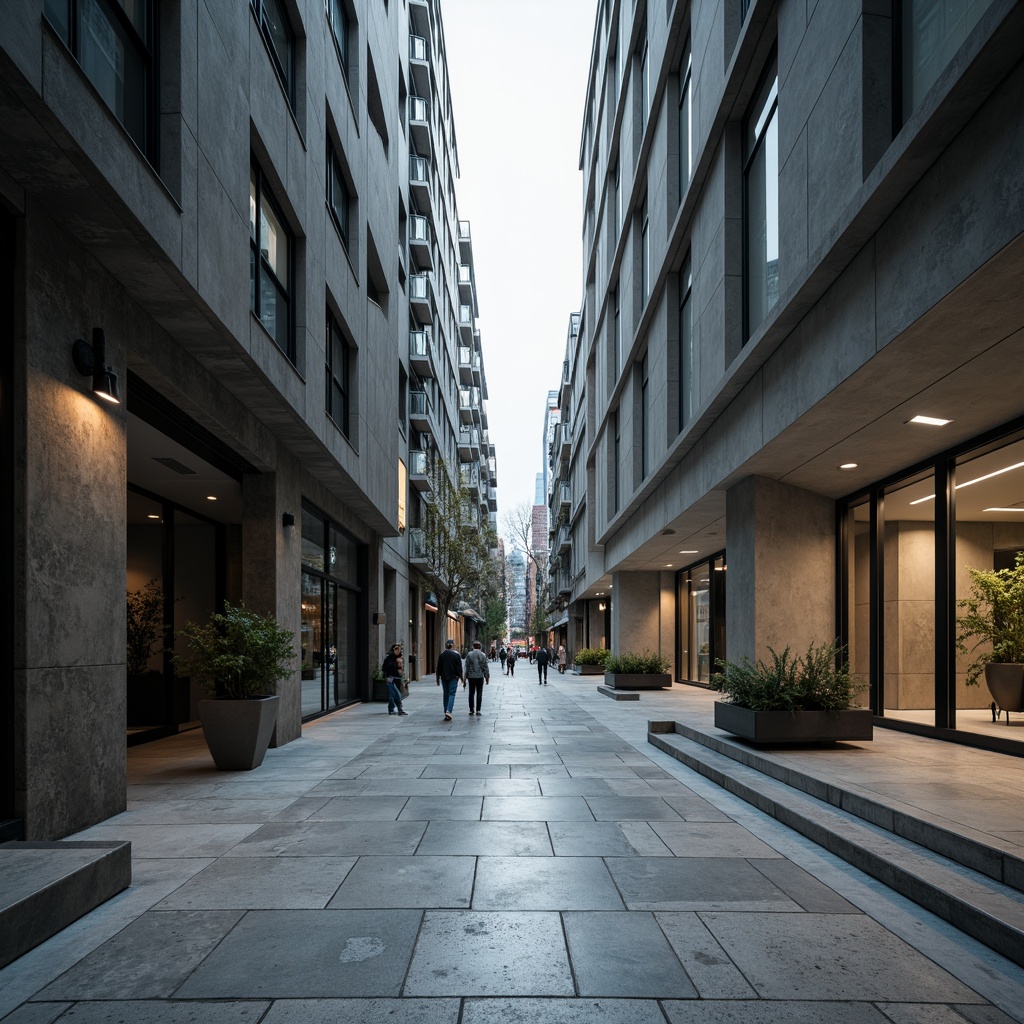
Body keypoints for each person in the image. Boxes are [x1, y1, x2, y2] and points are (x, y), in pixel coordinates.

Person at [435, 638, 463, 721]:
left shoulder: (442, 655)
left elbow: (438, 668)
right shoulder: (456, 655)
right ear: (453, 646)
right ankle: (449, 710)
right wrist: (461, 677)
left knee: (446, 694)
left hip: (444, 678)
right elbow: (459, 668)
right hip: (453, 677)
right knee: (452, 694)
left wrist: (437, 678)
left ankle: (445, 713)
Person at [463, 639, 490, 715]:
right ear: (480, 647)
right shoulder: (483, 655)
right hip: (479, 676)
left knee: (471, 693)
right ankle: (478, 710)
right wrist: (487, 677)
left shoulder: (469, 655)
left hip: (471, 677)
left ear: (473, 646)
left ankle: (471, 709)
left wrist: (464, 679)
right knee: (479, 693)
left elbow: (466, 667)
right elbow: (485, 667)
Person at [381, 643, 408, 715]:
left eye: (399, 650)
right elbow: (386, 668)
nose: (397, 651)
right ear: (393, 650)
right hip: (390, 678)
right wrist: (396, 668)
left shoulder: (400, 658)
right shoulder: (389, 659)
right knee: (394, 694)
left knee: (395, 694)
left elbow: (401, 669)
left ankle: (395, 709)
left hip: (397, 678)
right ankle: (395, 709)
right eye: (396, 650)